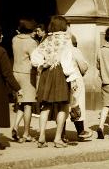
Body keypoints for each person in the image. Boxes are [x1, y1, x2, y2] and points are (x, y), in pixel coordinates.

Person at [31, 15, 81, 148]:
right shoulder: (66, 39)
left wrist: (44, 63)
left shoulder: (47, 39)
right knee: (63, 105)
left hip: (47, 74)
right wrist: (73, 78)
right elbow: (67, 60)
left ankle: (41, 136)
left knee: (46, 106)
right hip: (60, 74)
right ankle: (57, 138)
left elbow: (35, 56)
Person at [11, 19, 38, 143]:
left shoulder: (14, 39)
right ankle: (26, 133)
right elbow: (35, 60)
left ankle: (16, 126)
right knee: (28, 105)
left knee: (21, 103)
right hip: (27, 75)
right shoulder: (31, 43)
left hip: (16, 73)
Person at [69, 34, 93, 141]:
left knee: (63, 107)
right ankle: (80, 131)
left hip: (59, 80)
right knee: (77, 104)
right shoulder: (74, 50)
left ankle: (61, 134)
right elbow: (83, 66)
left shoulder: (56, 49)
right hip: (75, 79)